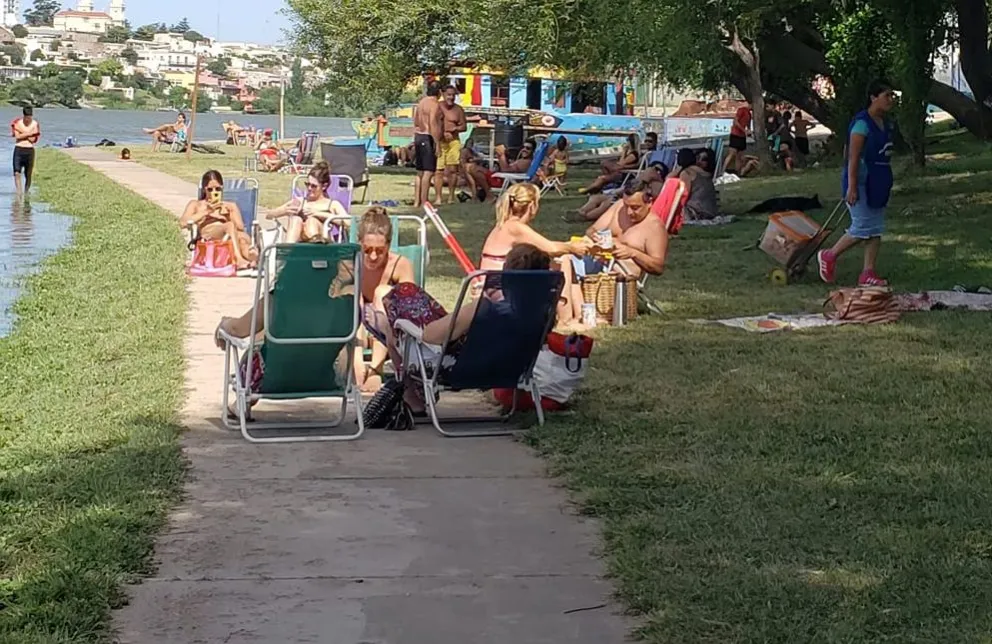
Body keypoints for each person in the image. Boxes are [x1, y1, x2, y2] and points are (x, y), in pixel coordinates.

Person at [368, 243, 555, 415]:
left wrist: (399, 325)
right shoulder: (542, 315)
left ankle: (411, 393)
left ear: (507, 276)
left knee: (398, 313)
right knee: (409, 291)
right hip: (504, 369)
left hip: (449, 368)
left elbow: (429, 335)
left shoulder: (482, 309)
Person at [818, 81, 896, 287]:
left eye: (892, 96)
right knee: (862, 226)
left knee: (876, 228)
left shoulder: (885, 123)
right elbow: (852, 157)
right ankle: (829, 255)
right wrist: (852, 186)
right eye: (886, 95)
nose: (891, 100)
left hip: (879, 179)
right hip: (861, 179)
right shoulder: (862, 123)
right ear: (873, 97)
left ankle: (868, 273)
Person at [559, 186, 669, 326]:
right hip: (598, 258)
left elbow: (658, 267)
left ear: (649, 203)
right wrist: (597, 238)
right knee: (561, 258)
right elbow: (591, 230)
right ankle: (566, 315)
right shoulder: (619, 208)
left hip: (620, 272)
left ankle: (569, 317)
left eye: (635, 208)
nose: (629, 212)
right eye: (627, 206)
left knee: (566, 265)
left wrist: (633, 252)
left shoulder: (655, 227)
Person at [479, 183, 590, 320]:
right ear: (531, 206)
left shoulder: (506, 225)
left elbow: (545, 246)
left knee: (564, 258)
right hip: (499, 288)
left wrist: (570, 246)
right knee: (563, 261)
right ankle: (565, 320)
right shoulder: (515, 227)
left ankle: (581, 314)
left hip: (493, 282)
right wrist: (572, 248)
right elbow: (551, 249)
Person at [351, 207, 416, 392]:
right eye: (367, 249)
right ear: (359, 242)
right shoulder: (349, 262)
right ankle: (357, 367)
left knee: (382, 293)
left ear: (389, 244)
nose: (372, 256)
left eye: (380, 251)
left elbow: (410, 307)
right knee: (354, 300)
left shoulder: (400, 265)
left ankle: (375, 369)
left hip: (388, 328)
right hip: (357, 324)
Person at [180, 170, 256, 270]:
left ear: (222, 188)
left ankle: (253, 258)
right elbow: (183, 223)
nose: (214, 192)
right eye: (210, 189)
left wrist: (230, 215)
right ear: (204, 189)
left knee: (243, 238)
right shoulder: (196, 204)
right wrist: (206, 212)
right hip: (208, 235)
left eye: (218, 189)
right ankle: (238, 260)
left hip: (229, 234)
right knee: (230, 226)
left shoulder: (230, 205)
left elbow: (241, 227)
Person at [263, 161, 348, 243]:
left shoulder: (332, 205)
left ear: (324, 186)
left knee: (312, 221)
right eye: (307, 184)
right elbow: (269, 215)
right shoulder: (301, 201)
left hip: (324, 243)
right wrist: (284, 211)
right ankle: (288, 251)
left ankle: (314, 248)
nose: (309, 188)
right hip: (299, 241)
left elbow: (349, 223)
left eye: (313, 186)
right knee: (296, 220)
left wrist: (319, 214)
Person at [412, 80, 444, 208]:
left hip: (419, 136)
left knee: (420, 172)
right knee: (428, 172)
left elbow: (415, 121)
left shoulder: (421, 102)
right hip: (428, 137)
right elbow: (432, 123)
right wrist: (437, 143)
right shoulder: (434, 104)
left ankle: (416, 201)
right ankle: (425, 201)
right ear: (440, 92)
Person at [434, 85, 467, 204]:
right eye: (449, 94)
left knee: (453, 169)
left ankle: (451, 196)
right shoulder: (438, 106)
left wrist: (454, 129)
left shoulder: (458, 109)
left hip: (453, 141)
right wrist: (442, 133)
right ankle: (438, 197)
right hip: (440, 141)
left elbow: (464, 126)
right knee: (438, 170)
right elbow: (434, 124)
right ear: (443, 94)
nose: (451, 97)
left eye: (453, 95)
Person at [675, 148, 720, 221]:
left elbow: (683, 195)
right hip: (711, 212)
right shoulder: (706, 174)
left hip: (697, 213)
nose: (699, 161)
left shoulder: (687, 173)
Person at [11, 106, 40, 194]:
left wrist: (22, 133)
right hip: (19, 149)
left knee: (28, 174)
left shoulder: (35, 124)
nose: (28, 120)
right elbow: (17, 136)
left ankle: (26, 192)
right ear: (24, 116)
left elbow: (32, 140)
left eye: (30, 118)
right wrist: (30, 133)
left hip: (29, 150)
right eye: (26, 118)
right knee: (17, 172)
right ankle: (19, 193)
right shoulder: (17, 123)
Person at [723, 102, 752, 174]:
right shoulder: (742, 110)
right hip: (735, 134)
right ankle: (722, 170)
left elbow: (748, 124)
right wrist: (743, 130)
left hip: (742, 136)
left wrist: (749, 131)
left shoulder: (749, 114)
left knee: (739, 155)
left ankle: (737, 171)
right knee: (732, 153)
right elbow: (735, 121)